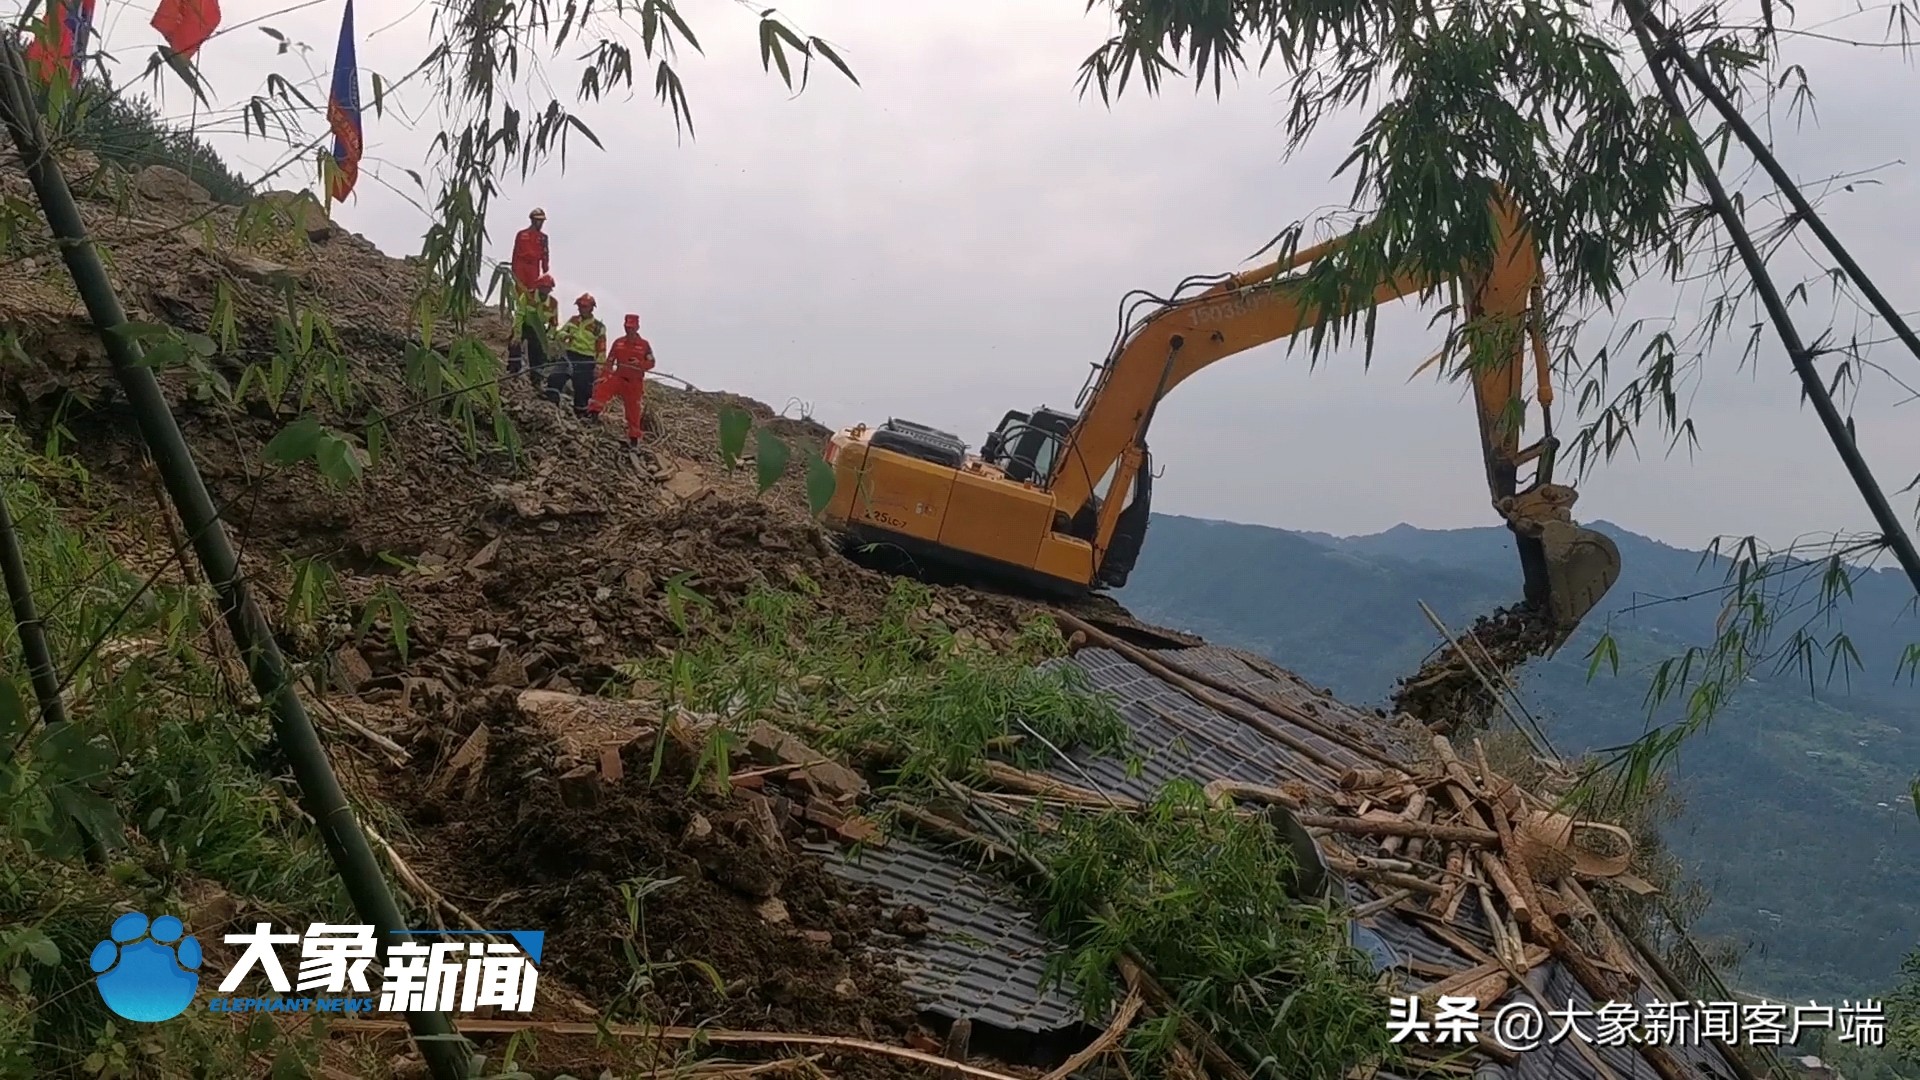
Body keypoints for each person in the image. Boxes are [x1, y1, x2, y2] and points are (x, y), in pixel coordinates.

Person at [588, 313, 657, 447]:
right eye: (627, 327)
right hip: (618, 376)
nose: (629, 330)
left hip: (634, 382)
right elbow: (610, 360)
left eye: (631, 327)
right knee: (602, 389)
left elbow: (651, 362)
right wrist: (605, 375)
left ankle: (634, 439)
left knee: (633, 410)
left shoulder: (644, 345)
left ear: (637, 327)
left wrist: (640, 364)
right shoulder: (619, 342)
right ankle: (593, 415)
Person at [548, 292, 606, 417]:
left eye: (584, 306)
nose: (581, 308)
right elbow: (559, 334)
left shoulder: (598, 327)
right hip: (569, 355)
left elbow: (601, 349)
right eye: (579, 306)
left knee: (583, 390)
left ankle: (581, 416)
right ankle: (551, 409)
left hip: (586, 360)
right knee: (555, 377)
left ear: (591, 308)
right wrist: (565, 336)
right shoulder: (573, 320)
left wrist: (599, 366)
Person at [505, 274, 558, 388]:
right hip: (525, 325)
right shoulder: (528, 296)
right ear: (538, 287)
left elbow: (553, 323)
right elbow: (520, 315)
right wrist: (517, 333)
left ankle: (536, 379)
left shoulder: (553, 303)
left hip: (539, 330)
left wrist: (548, 339)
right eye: (543, 287)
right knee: (514, 343)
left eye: (547, 288)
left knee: (538, 354)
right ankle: (513, 370)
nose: (545, 290)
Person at [511, 208, 549, 292]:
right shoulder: (521, 234)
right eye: (539, 220)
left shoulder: (543, 237)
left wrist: (545, 267)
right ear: (533, 220)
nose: (541, 223)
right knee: (520, 290)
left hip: (534, 266)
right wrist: (513, 269)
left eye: (542, 221)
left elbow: (545, 253)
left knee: (532, 291)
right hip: (521, 265)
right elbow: (515, 252)